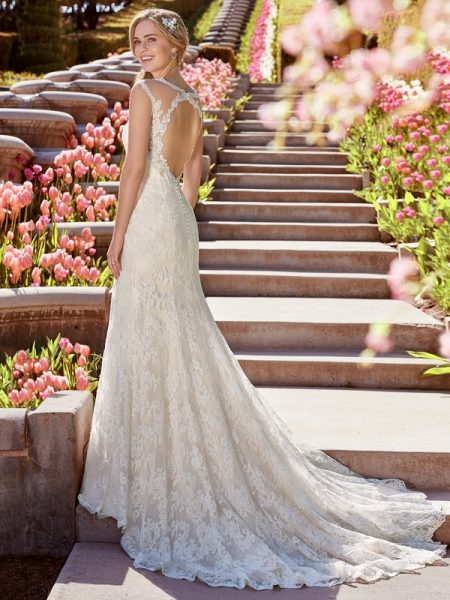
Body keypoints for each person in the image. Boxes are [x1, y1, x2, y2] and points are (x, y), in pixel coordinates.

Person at [77, 7, 448, 591]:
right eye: (135, 42)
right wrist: (170, 216)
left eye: (150, 41)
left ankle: (154, 466)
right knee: (180, 332)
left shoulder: (146, 90)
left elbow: (132, 172)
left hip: (150, 218)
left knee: (150, 331)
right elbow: (192, 180)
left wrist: (119, 235)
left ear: (174, 46)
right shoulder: (192, 101)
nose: (140, 50)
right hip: (176, 220)